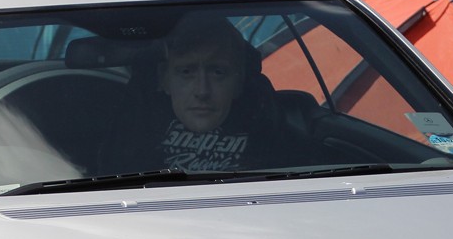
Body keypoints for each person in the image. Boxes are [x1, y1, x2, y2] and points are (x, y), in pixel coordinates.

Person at [101, 18, 322, 174]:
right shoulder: (136, 127)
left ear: (239, 82)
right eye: (186, 72)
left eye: (218, 73)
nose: (202, 91)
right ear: (164, 80)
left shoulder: (267, 125)